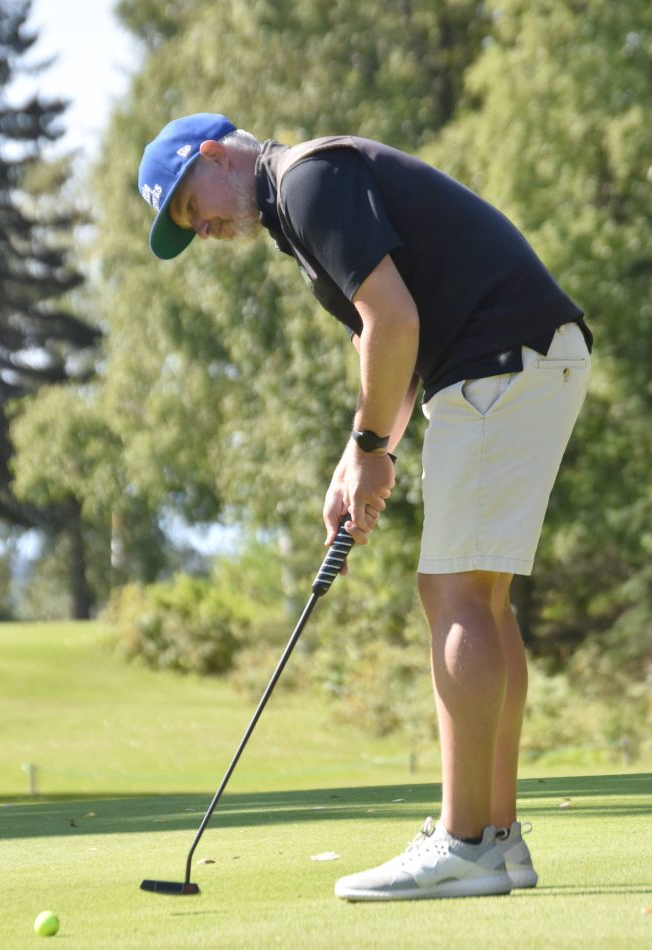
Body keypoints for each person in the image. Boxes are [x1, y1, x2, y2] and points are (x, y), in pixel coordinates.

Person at [138, 113, 592, 901]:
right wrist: (363, 460)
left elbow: (394, 321)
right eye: (188, 225)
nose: (202, 229)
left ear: (213, 155)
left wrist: (373, 444)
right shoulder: (301, 201)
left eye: (190, 206)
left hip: (500, 359)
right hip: (524, 354)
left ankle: (463, 843)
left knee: (453, 593)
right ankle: (497, 835)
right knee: (482, 598)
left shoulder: (308, 180)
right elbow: (393, 338)